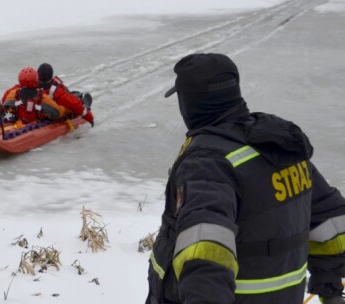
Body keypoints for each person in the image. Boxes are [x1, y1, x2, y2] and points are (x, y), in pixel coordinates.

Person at [146, 53, 345, 304]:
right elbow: (332, 221)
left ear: (190, 102)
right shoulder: (277, 144)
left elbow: (205, 252)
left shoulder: (208, 162)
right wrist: (330, 286)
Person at [2, 66, 67, 124]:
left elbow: (5, 105)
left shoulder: (13, 94)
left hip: (20, 119)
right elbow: (57, 113)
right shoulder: (43, 98)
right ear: (36, 81)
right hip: (38, 123)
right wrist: (66, 110)